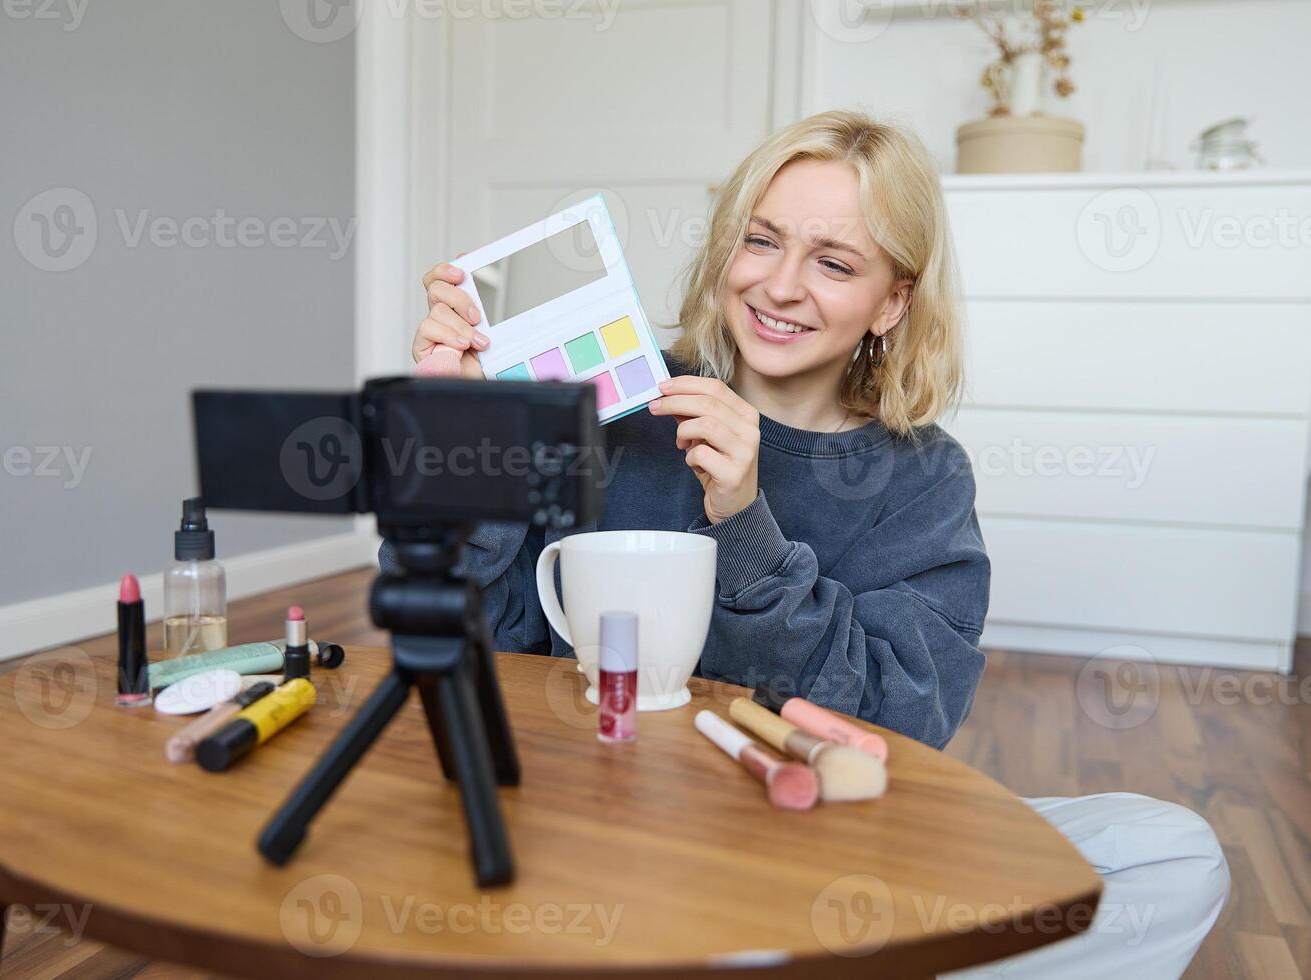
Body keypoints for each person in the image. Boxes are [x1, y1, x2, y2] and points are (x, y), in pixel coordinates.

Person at [395, 110, 1228, 977]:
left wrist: (745, 520)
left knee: (1171, 852)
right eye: (761, 241)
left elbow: (903, 723)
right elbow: (474, 649)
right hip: (605, 820)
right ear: (726, 252)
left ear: (893, 301)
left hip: (819, 837)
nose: (781, 286)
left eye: (833, 262)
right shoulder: (609, 404)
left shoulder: (925, 476)